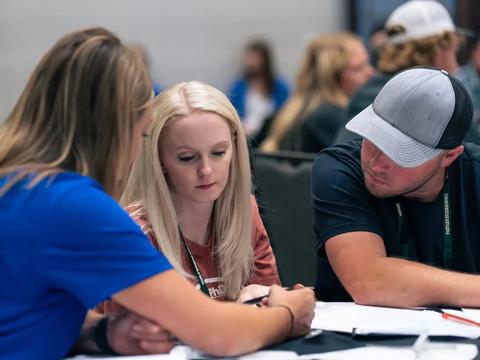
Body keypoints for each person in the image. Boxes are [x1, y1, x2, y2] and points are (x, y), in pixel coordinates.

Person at [0, 27, 315, 359]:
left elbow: (27, 311)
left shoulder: (17, 183)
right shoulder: (74, 205)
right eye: (143, 133)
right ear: (118, 130)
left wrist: (104, 333)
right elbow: (216, 334)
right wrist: (289, 314)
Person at [97, 81, 280, 315]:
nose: (206, 170)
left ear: (235, 148)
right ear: (159, 160)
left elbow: (275, 311)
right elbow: (124, 339)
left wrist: (265, 300)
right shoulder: (133, 234)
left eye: (218, 153)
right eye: (187, 157)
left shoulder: (245, 210)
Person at [312, 66, 480, 307]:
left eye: (399, 153)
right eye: (373, 139)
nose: (375, 163)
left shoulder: (474, 173)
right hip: (358, 340)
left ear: (449, 156)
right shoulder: (339, 168)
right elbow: (369, 281)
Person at [334, 0, 480, 145]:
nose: (455, 61)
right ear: (439, 50)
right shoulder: (440, 100)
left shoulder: (367, 93)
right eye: (454, 50)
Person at [260, 32, 373, 153]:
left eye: (367, 63)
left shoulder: (293, 112)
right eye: (358, 68)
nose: (370, 72)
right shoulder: (330, 118)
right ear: (332, 76)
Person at [228, 40, 289, 142]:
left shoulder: (280, 86)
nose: (250, 62)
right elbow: (231, 113)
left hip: (272, 136)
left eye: (254, 58)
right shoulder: (238, 86)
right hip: (245, 136)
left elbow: (286, 113)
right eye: (248, 57)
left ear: (264, 60)